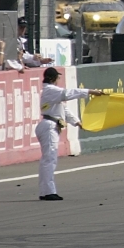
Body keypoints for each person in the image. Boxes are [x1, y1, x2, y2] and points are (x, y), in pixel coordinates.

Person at [37, 66, 106, 200]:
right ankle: (49, 192)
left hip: (50, 125)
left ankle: (45, 191)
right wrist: (90, 92)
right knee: (49, 159)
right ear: (52, 79)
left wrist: (76, 122)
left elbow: (63, 109)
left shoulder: (51, 92)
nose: (58, 80)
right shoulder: (51, 90)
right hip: (49, 126)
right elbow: (68, 93)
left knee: (48, 159)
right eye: (57, 78)